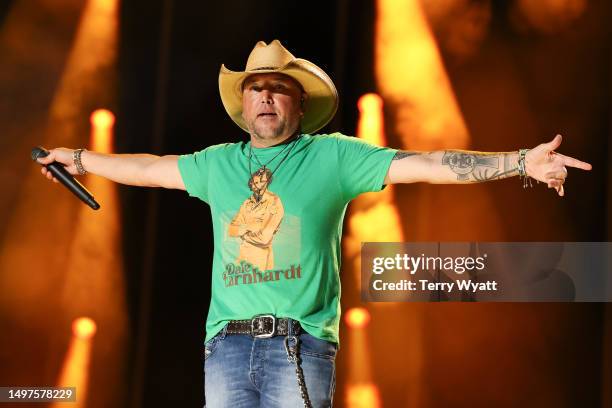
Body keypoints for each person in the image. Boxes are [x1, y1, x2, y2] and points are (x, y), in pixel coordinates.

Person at [36, 40, 592, 407]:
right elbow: (151, 170)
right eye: (256, 88)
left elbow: (425, 165)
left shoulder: (332, 157)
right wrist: (79, 158)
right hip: (223, 349)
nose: (266, 97)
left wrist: (519, 162)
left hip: (295, 347)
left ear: (299, 105)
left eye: (278, 87)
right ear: (243, 105)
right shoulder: (218, 164)